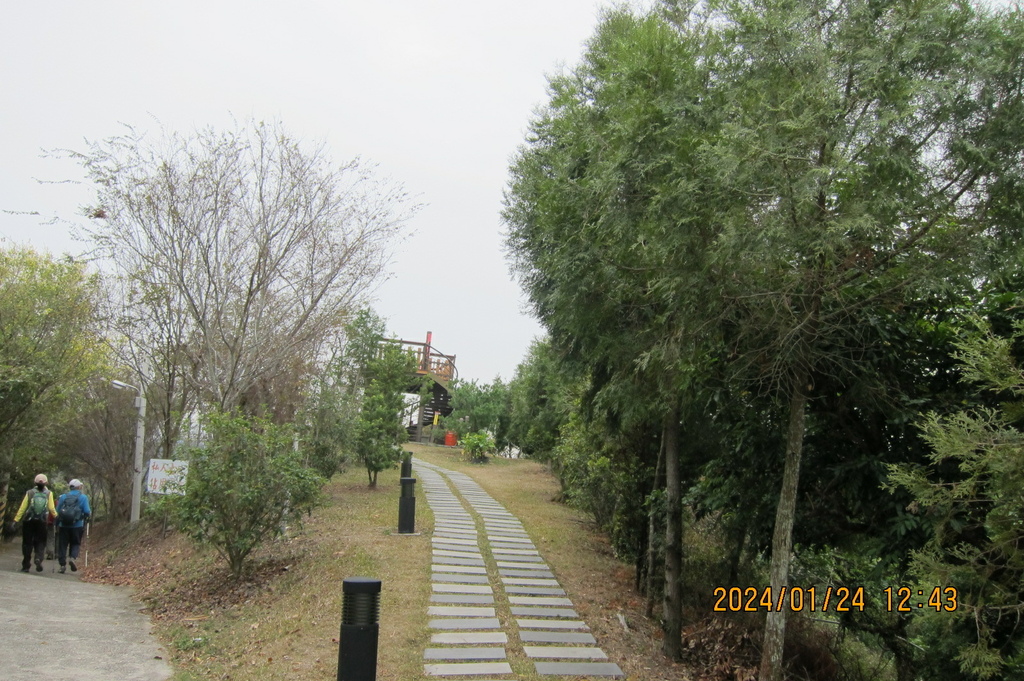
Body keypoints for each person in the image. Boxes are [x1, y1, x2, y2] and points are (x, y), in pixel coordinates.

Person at [13, 474, 57, 573]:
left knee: (27, 543)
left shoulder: (30, 493)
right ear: (46, 483)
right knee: (40, 542)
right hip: (42, 522)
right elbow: (51, 508)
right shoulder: (49, 493)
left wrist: (16, 520)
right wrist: (56, 517)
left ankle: (26, 565)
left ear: (34, 482)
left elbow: (23, 508)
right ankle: (38, 558)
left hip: (28, 521)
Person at [55, 479, 92, 573]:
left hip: (64, 525)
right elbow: (87, 511)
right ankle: (72, 557)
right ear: (79, 487)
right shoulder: (83, 497)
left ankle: (62, 565)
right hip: (77, 525)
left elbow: (57, 510)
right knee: (75, 543)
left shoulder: (63, 497)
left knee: (62, 545)